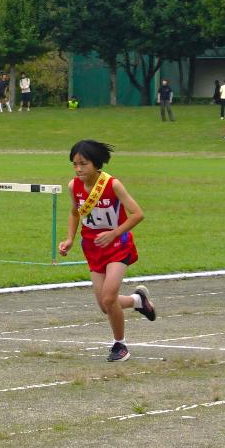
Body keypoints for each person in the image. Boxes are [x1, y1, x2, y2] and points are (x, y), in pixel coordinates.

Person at [57, 140, 157, 361]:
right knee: (105, 305)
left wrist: (113, 233)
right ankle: (138, 301)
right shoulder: (73, 186)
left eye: (83, 164)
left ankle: (119, 345)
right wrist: (70, 239)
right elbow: (75, 213)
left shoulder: (112, 184)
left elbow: (137, 214)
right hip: (93, 247)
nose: (78, 169)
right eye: (74, 164)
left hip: (118, 245)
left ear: (96, 163)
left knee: (109, 297)